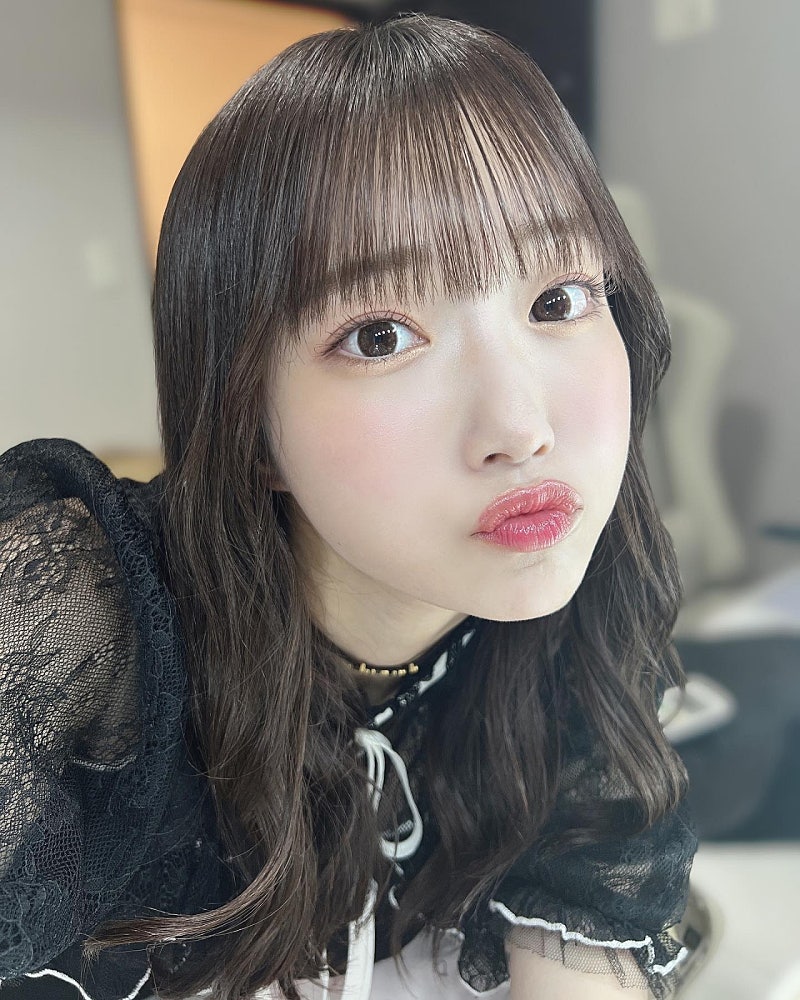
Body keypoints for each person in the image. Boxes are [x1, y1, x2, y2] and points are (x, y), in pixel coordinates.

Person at [0, 13, 699, 1000]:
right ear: (248, 424)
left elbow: (586, 943)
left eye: (558, 300)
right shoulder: (78, 623)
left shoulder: (584, 622)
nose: (520, 427)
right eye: (379, 336)